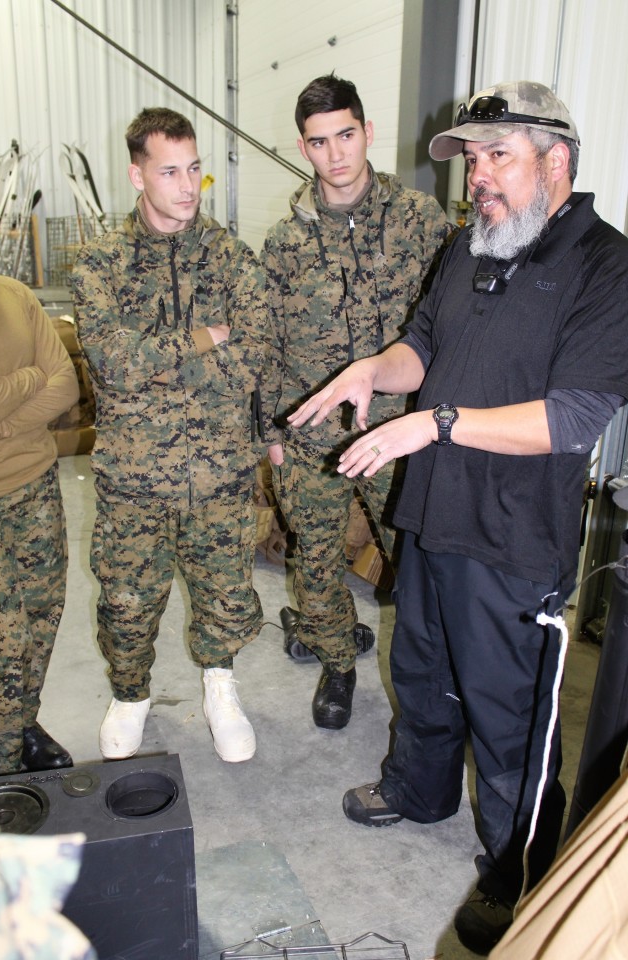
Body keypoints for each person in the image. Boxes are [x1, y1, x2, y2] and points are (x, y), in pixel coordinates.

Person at [288, 80, 628, 953]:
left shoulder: (606, 265)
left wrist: (433, 422)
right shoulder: (469, 244)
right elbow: (424, 346)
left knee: (511, 718)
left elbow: (574, 418)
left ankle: (520, 869)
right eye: (471, 159)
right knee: (422, 673)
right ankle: (419, 789)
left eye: (497, 156)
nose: (477, 176)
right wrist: (371, 371)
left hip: (515, 543)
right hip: (431, 514)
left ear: (556, 160)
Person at [71, 107, 270, 764]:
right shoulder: (101, 264)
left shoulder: (232, 258)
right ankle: (130, 694)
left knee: (224, 589)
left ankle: (219, 686)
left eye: (195, 169)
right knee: (126, 597)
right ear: (137, 174)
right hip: (132, 479)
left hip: (218, 474)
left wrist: (160, 366)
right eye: (170, 171)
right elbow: (111, 363)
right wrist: (204, 340)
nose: (188, 186)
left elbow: (255, 358)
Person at [261, 75, 452, 729]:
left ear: (368, 132)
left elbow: (449, 327)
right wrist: (272, 431)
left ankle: (430, 680)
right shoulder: (284, 243)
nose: (336, 154)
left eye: (346, 135)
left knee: (416, 555)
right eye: (320, 142)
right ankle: (338, 662)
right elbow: (264, 343)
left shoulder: (420, 221)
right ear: (302, 147)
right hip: (312, 433)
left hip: (395, 430)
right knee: (313, 556)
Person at [0, 216, 79, 777]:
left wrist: (0, 421)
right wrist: (26, 382)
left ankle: (20, 721)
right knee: (1, 634)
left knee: (43, 612)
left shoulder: (16, 296)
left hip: (37, 485)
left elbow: (66, 382)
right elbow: (41, 383)